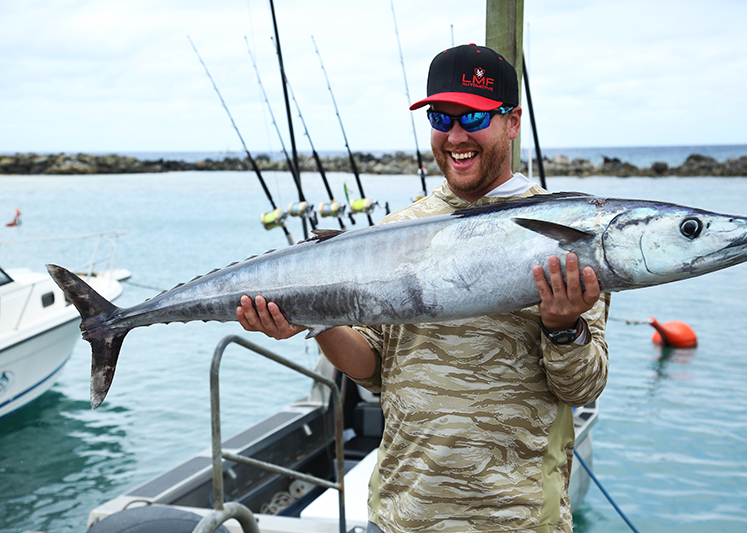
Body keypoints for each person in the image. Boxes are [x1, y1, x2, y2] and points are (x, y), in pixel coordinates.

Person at [237, 44, 610, 533]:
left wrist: (563, 327)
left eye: (473, 118)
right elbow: (373, 368)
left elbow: (581, 388)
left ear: (513, 121)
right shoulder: (397, 228)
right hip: (400, 516)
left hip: (516, 521)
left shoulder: (566, 231)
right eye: (441, 116)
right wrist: (317, 321)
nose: (455, 136)